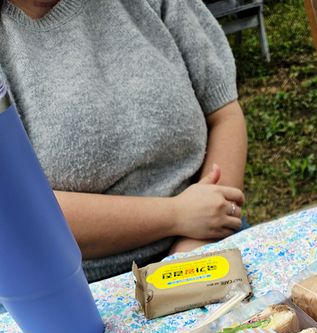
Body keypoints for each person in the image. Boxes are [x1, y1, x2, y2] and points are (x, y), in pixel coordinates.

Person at [0, 0, 247, 281]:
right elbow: (19, 209)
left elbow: (224, 114)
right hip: (79, 288)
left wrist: (196, 247)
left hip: (208, 244)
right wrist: (177, 215)